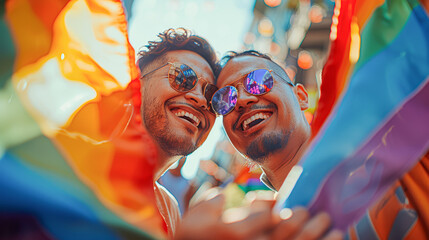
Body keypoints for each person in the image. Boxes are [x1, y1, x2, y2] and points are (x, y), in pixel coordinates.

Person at [213, 50, 429, 239]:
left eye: (258, 80)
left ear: (301, 97)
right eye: (224, 99)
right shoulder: (266, 230)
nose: (241, 100)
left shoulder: (393, 146)